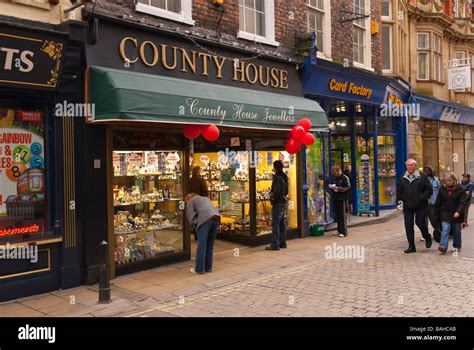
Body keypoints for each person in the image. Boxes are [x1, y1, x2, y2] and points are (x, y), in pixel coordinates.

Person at [396, 159, 433, 253]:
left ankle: (427, 236)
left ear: (415, 166)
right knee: (408, 225)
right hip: (408, 205)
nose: (410, 167)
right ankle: (411, 246)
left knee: (420, 223)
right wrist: (399, 201)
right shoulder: (402, 178)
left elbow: (429, 190)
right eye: (408, 165)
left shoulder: (422, 176)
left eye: (412, 165)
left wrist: (422, 197)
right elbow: (399, 191)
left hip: (420, 205)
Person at [185, 193, 220, 274]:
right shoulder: (205, 198)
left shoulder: (190, 200)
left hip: (205, 220)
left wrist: (195, 224)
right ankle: (208, 267)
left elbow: (190, 215)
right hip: (216, 218)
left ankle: (199, 269)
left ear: (187, 198)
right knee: (210, 245)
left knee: (202, 245)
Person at [435, 173, 467, 254]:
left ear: (454, 181)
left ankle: (457, 246)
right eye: (446, 181)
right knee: (445, 229)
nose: (447, 182)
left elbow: (462, 203)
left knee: (456, 231)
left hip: (456, 214)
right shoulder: (442, 188)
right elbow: (438, 201)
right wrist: (436, 212)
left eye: (449, 181)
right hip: (445, 213)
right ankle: (443, 246)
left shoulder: (461, 189)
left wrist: (458, 212)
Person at [265, 160, 289, 251]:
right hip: (283, 201)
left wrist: (272, 198)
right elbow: (286, 190)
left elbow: (276, 191)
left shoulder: (277, 177)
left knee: (275, 224)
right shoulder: (284, 176)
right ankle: (283, 243)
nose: (273, 169)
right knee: (282, 223)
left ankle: (275, 244)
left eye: (273, 167)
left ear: (275, 168)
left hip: (278, 202)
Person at [328, 165, 351, 237]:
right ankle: (339, 230)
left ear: (338, 171)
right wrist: (331, 187)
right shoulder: (336, 178)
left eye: (334, 172)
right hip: (336, 198)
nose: (333, 173)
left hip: (342, 199)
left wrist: (340, 189)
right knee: (338, 215)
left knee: (342, 215)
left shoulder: (345, 177)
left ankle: (344, 232)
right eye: (333, 172)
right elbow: (335, 187)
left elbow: (348, 187)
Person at [423, 165, 441, 243]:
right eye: (425, 170)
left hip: (432, 203)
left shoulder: (436, 181)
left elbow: (440, 192)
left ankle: (437, 233)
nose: (427, 172)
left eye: (428, 170)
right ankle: (426, 235)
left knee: (434, 221)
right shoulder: (421, 180)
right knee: (423, 221)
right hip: (423, 203)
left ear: (431, 171)